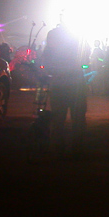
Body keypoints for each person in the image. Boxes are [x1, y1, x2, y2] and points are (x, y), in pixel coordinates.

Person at [40, 22, 90, 158]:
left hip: (58, 83)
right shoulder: (77, 40)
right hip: (76, 84)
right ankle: (77, 149)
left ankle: (57, 149)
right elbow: (86, 57)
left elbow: (45, 59)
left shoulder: (52, 38)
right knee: (78, 118)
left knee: (58, 119)